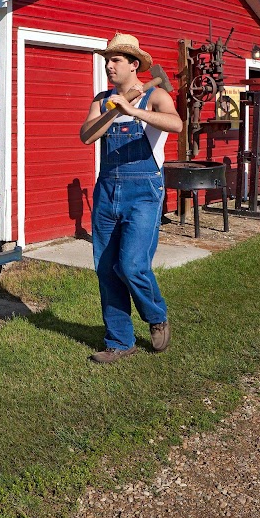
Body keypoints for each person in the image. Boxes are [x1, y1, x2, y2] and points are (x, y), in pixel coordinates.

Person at [79, 33, 184, 364]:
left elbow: (176, 124)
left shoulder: (155, 95)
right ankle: (119, 341)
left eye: (115, 61)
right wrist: (114, 109)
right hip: (107, 189)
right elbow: (86, 136)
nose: (108, 66)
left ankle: (156, 315)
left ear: (133, 64)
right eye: (106, 60)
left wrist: (135, 111)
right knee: (107, 269)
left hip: (144, 192)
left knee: (132, 264)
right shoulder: (101, 99)